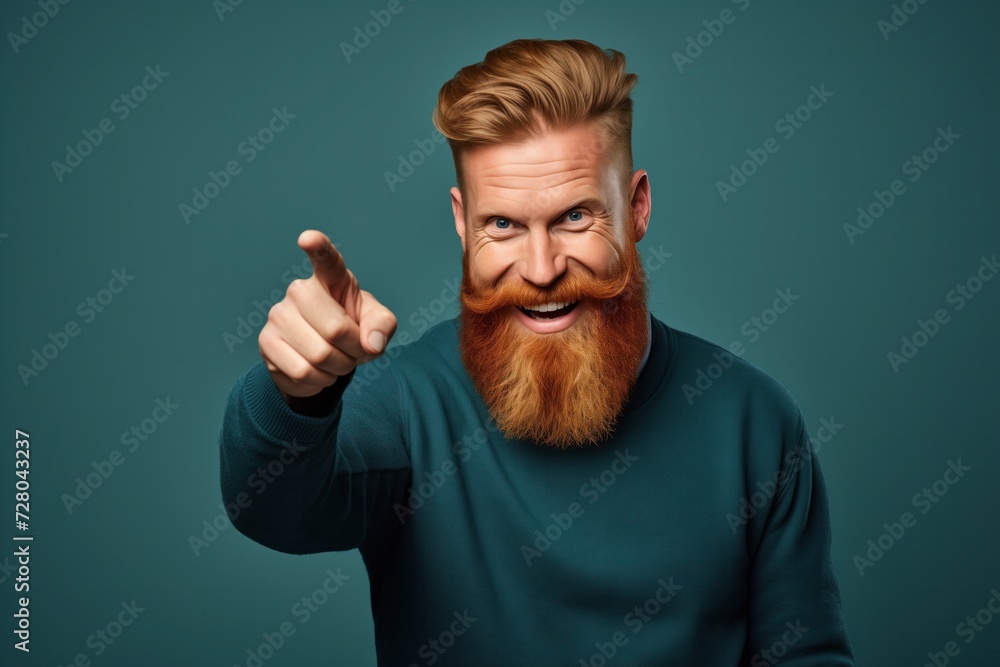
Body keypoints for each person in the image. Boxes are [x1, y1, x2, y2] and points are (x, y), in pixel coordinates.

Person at [219, 38, 855, 665]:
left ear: (636, 208)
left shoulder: (753, 419)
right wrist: (297, 396)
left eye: (575, 217)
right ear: (462, 222)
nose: (543, 269)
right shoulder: (409, 405)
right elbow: (274, 510)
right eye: (503, 225)